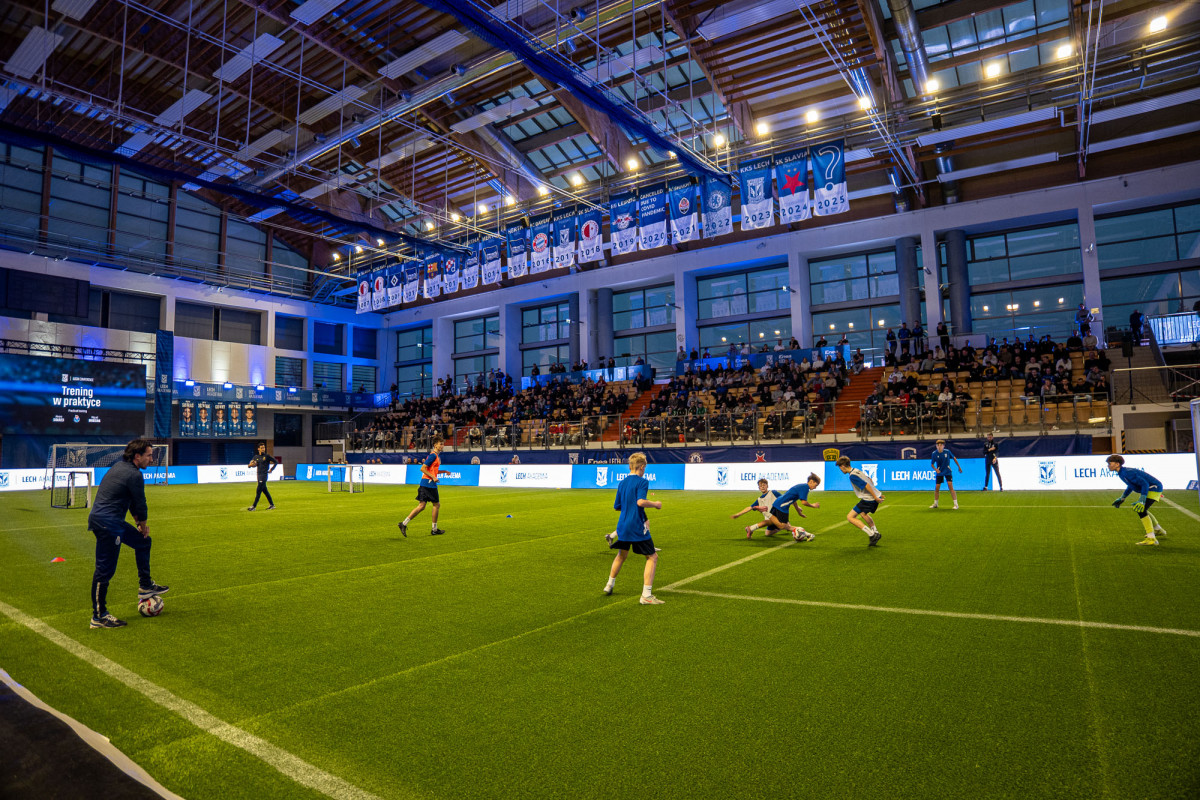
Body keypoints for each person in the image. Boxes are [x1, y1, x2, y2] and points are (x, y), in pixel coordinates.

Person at [87, 439, 169, 628]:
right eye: (149, 455)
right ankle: (98, 617)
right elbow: (140, 503)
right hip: (108, 524)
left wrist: (139, 525)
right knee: (104, 571)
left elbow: (131, 501)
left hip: (109, 521)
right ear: (137, 456)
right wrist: (143, 524)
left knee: (143, 542)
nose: (151, 459)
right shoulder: (134, 474)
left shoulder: (120, 467)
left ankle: (145, 585)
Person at [602, 452, 664, 604]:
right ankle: (646, 595)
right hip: (636, 526)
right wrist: (656, 504)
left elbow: (617, 506)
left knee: (621, 555)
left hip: (622, 525)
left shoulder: (622, 483)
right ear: (641, 467)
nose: (644, 471)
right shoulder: (642, 482)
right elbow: (640, 502)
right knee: (652, 557)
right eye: (644, 468)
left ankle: (609, 584)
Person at [1106, 455, 1167, 545]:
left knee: (1141, 510)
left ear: (1117, 464)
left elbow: (1145, 484)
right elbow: (1131, 485)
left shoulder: (1127, 472)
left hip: (1154, 488)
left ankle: (1151, 538)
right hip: (1152, 487)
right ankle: (1158, 529)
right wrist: (1123, 497)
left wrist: (1142, 499)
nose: (1108, 466)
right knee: (1142, 509)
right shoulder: (1122, 472)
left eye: (1110, 463)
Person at [746, 474, 820, 541]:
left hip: (777, 503)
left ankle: (751, 528)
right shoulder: (805, 488)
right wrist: (813, 505)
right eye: (816, 485)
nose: (815, 487)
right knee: (783, 526)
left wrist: (799, 512)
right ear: (811, 481)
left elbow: (794, 500)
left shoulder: (801, 486)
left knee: (769, 529)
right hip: (782, 506)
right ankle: (807, 534)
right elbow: (804, 502)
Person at [398, 436, 446, 536]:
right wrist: (433, 477)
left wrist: (444, 471)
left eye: (443, 444)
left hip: (425, 483)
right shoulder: (433, 456)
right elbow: (423, 468)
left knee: (422, 506)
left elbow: (431, 470)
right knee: (436, 505)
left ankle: (403, 523)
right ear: (435, 445)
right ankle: (434, 529)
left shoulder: (434, 456)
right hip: (429, 484)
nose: (442, 446)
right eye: (440, 444)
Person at [835, 456, 883, 546]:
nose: (840, 470)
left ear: (843, 466)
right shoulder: (856, 470)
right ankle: (875, 531)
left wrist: (875, 497)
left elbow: (866, 485)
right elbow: (869, 480)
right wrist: (877, 494)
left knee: (850, 517)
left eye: (840, 467)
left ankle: (872, 534)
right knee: (863, 514)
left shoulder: (852, 476)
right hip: (872, 498)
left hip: (869, 499)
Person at [929, 439, 963, 509]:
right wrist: (936, 469)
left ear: (943, 446)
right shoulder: (934, 453)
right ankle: (935, 504)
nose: (939, 447)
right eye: (938, 445)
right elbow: (932, 464)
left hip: (947, 471)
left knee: (950, 486)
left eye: (941, 445)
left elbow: (954, 458)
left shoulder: (947, 452)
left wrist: (959, 467)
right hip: (940, 472)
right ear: (936, 446)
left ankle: (956, 504)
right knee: (937, 488)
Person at [246, 442, 278, 510]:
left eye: (264, 448)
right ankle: (272, 505)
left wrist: (271, 469)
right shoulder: (256, 457)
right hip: (259, 475)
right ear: (258, 449)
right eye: (261, 448)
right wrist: (250, 465)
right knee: (265, 491)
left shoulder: (267, 456)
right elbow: (252, 465)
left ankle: (254, 506)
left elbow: (276, 462)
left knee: (258, 491)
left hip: (264, 476)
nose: (263, 449)